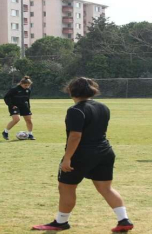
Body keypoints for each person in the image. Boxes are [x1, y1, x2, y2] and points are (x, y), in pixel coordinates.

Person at [32, 77, 133, 232]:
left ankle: (61, 222)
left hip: (82, 154)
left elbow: (75, 136)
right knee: (106, 188)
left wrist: (67, 158)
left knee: (66, 188)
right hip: (105, 151)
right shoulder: (103, 107)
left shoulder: (76, 110)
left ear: (71, 91)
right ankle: (124, 219)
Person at [2, 76, 35, 141]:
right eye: (25, 85)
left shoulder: (28, 90)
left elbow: (27, 99)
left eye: (28, 85)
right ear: (21, 83)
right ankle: (5, 132)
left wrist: (28, 107)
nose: (27, 86)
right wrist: (11, 105)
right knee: (16, 119)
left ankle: (30, 134)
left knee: (29, 120)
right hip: (14, 106)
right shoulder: (14, 90)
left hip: (24, 106)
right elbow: (6, 97)